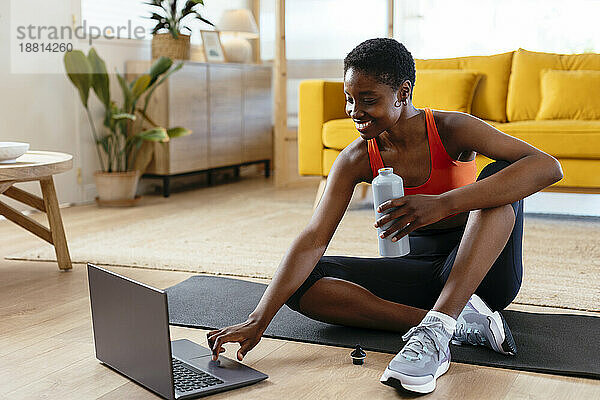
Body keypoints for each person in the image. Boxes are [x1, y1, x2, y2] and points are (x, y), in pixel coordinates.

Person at [207, 38, 563, 394]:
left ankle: (440, 328)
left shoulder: (454, 129)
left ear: (402, 92)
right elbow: (314, 237)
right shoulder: (356, 158)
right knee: (300, 283)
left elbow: (547, 166)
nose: (355, 111)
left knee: (499, 183)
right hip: (420, 273)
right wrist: (259, 320)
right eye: (350, 99)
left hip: (483, 273)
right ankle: (452, 324)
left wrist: (444, 203)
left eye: (368, 99)